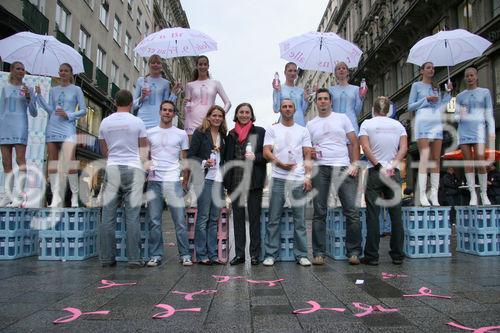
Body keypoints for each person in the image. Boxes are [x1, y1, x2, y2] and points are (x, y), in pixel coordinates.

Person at [307, 88, 361, 265]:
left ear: (331, 101)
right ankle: (318, 253)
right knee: (319, 212)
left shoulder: (342, 118)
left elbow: (354, 142)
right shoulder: (311, 124)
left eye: (325, 98)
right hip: (320, 168)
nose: (322, 101)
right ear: (316, 102)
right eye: (319, 99)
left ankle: (353, 251)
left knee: (351, 211)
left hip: (342, 166)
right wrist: (310, 154)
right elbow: (306, 150)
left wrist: (355, 164)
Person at [98, 89, 148, 268]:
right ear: (131, 103)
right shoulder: (137, 122)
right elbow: (143, 149)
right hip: (133, 168)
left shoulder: (105, 122)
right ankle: (134, 259)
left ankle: (106, 258)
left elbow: (104, 149)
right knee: (132, 216)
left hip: (112, 168)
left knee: (108, 216)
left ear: (115, 102)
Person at [262, 98, 312, 267]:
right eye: (284, 106)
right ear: (280, 110)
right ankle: (270, 254)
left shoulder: (303, 130)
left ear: (295, 109)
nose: (287, 109)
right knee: (274, 218)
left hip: (298, 178)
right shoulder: (272, 129)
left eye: (290, 106)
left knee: (300, 219)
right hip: (278, 177)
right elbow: (266, 152)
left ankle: (302, 254)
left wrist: (308, 177)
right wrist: (280, 164)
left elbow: (307, 155)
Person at [359, 96, 407, 266]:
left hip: (375, 172)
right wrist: (392, 165)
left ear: (374, 109)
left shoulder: (367, 124)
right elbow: (404, 148)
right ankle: (397, 254)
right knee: (396, 215)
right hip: (393, 172)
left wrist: (379, 165)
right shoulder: (398, 125)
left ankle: (372, 256)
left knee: (373, 215)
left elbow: (365, 147)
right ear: (389, 110)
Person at [145, 100, 192, 267]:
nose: (167, 113)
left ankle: (185, 254)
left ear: (174, 114)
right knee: (154, 221)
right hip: (154, 181)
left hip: (173, 181)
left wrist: (185, 179)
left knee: (179, 220)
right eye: (164, 110)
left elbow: (185, 159)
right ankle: (155, 255)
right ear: (159, 112)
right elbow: (145, 155)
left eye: (170, 110)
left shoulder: (181, 133)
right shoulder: (149, 132)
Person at [35, 63, 87, 207]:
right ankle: (56, 197)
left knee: (70, 161)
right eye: (61, 71)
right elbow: (50, 109)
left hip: (67, 126)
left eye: (66, 71)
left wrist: (68, 114)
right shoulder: (53, 90)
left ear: (71, 73)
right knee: (53, 162)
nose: (63, 73)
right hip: (53, 126)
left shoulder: (77, 89)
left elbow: (83, 110)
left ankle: (74, 197)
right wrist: (39, 96)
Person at [224, 103, 266, 266]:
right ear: (236, 114)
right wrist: (227, 184)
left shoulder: (259, 131)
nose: (244, 114)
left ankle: (255, 254)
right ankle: (240, 254)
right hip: (235, 181)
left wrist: (256, 156)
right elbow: (227, 159)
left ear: (251, 114)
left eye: (247, 112)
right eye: (241, 112)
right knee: (238, 219)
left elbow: (267, 154)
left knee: (254, 218)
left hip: (254, 180)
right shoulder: (231, 134)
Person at [408, 62, 452, 206]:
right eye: (428, 67)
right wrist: (425, 99)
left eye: (433, 68)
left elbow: (441, 106)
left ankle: (434, 194)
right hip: (423, 121)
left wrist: (448, 93)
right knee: (425, 158)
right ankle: (422, 195)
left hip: (436, 121)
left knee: (436, 159)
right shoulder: (416, 86)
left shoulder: (436, 86)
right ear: (421, 71)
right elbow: (410, 106)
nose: (431, 70)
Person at [188, 105, 227, 265]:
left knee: (214, 219)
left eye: (220, 116)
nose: (217, 118)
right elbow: (191, 156)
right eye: (214, 115)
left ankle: (213, 254)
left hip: (218, 180)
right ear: (209, 117)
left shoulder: (224, 136)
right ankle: (202, 254)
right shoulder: (200, 133)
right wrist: (204, 162)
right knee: (203, 217)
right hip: (204, 179)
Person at [456, 66, 495, 205]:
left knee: (480, 160)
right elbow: (455, 116)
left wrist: (492, 131)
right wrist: (458, 115)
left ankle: (484, 194)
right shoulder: (460, 96)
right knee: (467, 162)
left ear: (476, 76)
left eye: (472, 75)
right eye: (467, 76)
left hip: (478, 129)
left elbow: (489, 114)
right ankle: (473, 193)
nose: (469, 78)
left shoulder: (485, 92)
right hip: (464, 130)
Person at [0, 61, 37, 207]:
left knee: (20, 160)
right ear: (12, 70)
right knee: (6, 161)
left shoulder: (28, 89)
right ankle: (7, 195)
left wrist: (29, 97)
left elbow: (34, 112)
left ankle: (20, 195)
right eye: (18, 68)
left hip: (20, 124)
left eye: (23, 69)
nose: (21, 71)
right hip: (5, 126)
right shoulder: (5, 89)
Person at [184, 56, 231, 136]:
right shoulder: (190, 85)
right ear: (196, 66)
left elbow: (228, 103)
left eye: (205, 64)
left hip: (209, 124)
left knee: (210, 148)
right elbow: (187, 106)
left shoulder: (215, 83)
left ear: (208, 66)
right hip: (191, 125)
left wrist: (218, 116)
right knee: (192, 148)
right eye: (200, 64)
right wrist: (186, 106)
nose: (203, 67)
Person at [133, 54, 181, 129]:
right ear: (149, 65)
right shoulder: (141, 80)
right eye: (153, 63)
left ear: (161, 66)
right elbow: (133, 104)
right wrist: (142, 97)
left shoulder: (166, 83)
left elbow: (166, 104)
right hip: (142, 119)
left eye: (158, 63)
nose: (155, 65)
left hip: (157, 120)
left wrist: (173, 93)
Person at [328, 62, 366, 133]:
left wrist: (361, 98)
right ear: (335, 73)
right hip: (336, 123)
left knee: (352, 143)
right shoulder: (331, 90)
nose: (341, 70)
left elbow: (357, 111)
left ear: (347, 72)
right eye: (338, 69)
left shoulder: (356, 89)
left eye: (344, 68)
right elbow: (328, 108)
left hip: (351, 122)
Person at [272, 62, 310, 126]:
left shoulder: (301, 91)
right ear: (285, 72)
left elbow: (303, 111)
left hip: (300, 124)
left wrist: (306, 100)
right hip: (285, 124)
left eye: (295, 71)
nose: (293, 73)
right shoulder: (279, 89)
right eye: (290, 71)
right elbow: (276, 109)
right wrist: (277, 92)